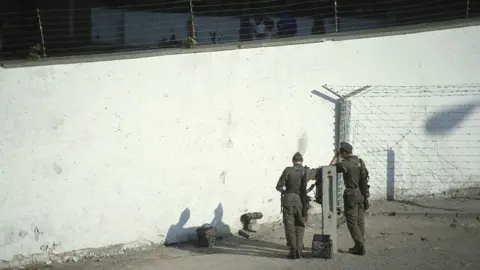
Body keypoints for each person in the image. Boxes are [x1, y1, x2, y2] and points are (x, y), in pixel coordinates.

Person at [330, 142, 369, 255]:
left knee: (351, 221)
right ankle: (359, 245)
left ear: (343, 152)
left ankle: (360, 245)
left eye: (341, 153)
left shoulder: (345, 164)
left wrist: (335, 157)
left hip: (351, 194)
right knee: (359, 221)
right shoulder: (360, 162)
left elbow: (329, 169)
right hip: (361, 194)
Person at [276, 152, 317, 259]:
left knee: (289, 226)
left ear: (293, 161)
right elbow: (318, 173)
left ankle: (293, 251)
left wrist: (286, 191)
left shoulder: (288, 170)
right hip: (301, 202)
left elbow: (279, 187)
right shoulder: (307, 171)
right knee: (300, 225)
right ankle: (299, 251)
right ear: (302, 161)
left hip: (288, 200)